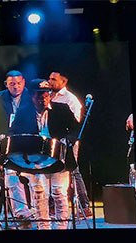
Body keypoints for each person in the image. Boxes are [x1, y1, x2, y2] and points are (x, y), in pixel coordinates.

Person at [12, 78, 80, 230]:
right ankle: (43, 227)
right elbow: (14, 133)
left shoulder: (62, 109)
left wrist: (68, 140)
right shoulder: (23, 113)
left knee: (59, 192)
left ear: (50, 95)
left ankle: (62, 227)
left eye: (46, 95)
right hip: (35, 158)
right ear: (31, 96)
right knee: (38, 192)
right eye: (38, 95)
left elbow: (76, 128)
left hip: (58, 157)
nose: (43, 98)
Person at [0, 70, 34, 225]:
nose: (16, 87)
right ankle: (22, 214)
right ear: (6, 85)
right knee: (11, 177)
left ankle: (38, 211)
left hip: (28, 142)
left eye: (18, 83)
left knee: (34, 177)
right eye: (12, 84)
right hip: (8, 144)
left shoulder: (31, 96)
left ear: (23, 82)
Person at [47, 71, 92, 217]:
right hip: (51, 140)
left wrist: (68, 140)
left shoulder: (70, 99)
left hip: (68, 141)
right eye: (49, 78)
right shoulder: (47, 95)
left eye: (53, 79)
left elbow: (77, 123)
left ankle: (84, 206)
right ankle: (52, 206)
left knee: (73, 170)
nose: (50, 81)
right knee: (51, 169)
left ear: (63, 81)